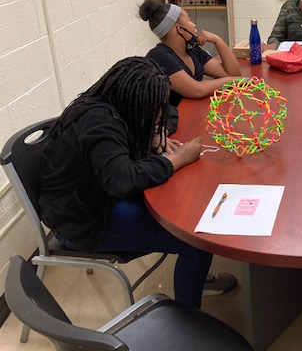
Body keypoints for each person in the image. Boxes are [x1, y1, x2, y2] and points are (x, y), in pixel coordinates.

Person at [39, 57, 237, 309]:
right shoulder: (99, 123)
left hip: (97, 198)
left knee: (185, 204)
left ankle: (193, 276)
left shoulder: (120, 103)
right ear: (137, 101)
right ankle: (189, 319)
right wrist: (176, 159)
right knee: (193, 237)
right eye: (154, 109)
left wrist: (156, 133)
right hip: (83, 221)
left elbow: (171, 112)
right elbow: (122, 180)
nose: (160, 113)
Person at [140, 0, 242, 107]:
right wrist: (233, 81)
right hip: (171, 120)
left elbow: (233, 73)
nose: (194, 25)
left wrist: (218, 40)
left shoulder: (192, 50)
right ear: (180, 29)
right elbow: (196, 90)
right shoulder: (159, 56)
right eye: (188, 19)